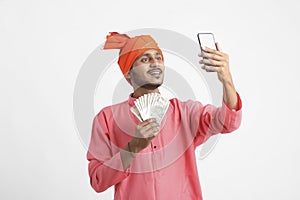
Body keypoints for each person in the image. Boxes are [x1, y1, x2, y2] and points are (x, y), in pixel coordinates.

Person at [87, 32, 242, 200]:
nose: (155, 63)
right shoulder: (107, 119)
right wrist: (132, 148)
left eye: (158, 58)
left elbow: (228, 122)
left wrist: (227, 79)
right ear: (128, 74)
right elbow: (98, 181)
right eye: (145, 59)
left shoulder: (186, 113)